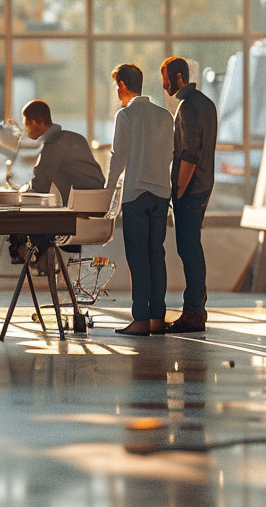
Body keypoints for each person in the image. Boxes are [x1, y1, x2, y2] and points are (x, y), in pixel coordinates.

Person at [104, 64, 175, 336]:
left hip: (134, 195)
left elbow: (118, 157)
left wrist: (109, 190)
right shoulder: (165, 116)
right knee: (157, 255)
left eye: (116, 87)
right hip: (160, 194)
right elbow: (170, 154)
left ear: (122, 85)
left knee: (138, 258)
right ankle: (157, 318)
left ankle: (140, 320)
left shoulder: (125, 115)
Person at [11, 99, 106, 269]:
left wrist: (17, 194)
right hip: (97, 214)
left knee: (24, 219)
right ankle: (43, 257)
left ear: (37, 122)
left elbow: (39, 187)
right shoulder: (75, 138)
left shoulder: (53, 146)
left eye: (27, 123)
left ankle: (38, 257)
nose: (25, 127)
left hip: (75, 221)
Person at [161, 56, 218, 334]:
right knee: (192, 247)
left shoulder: (187, 107)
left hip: (191, 188)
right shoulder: (206, 103)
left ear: (179, 77)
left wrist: (177, 191)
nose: (164, 85)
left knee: (188, 248)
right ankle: (197, 306)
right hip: (205, 184)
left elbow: (189, 154)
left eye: (167, 79)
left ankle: (194, 311)